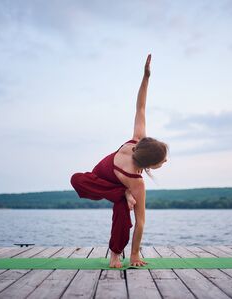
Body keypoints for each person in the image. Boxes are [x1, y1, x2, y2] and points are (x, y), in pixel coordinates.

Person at [70, 54, 169, 268]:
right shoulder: (137, 181)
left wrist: (146, 77)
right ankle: (121, 193)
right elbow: (142, 221)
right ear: (149, 164)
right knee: (76, 179)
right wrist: (146, 77)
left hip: (117, 184)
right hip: (100, 180)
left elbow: (141, 107)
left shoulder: (138, 140)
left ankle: (115, 254)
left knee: (123, 213)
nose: (165, 161)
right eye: (161, 162)